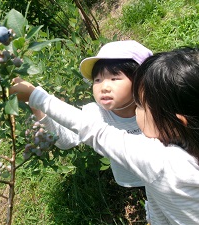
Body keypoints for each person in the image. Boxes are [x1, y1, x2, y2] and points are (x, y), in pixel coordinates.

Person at [11, 47, 199, 224]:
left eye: (141, 105)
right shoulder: (185, 141)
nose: (104, 87)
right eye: (97, 80)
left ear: (174, 124)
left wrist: (36, 95)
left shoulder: (163, 163)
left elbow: (94, 131)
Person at [27, 40, 153, 188]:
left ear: (141, 80)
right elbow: (65, 141)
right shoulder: (96, 113)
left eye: (114, 78)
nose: (104, 87)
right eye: (98, 80)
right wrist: (37, 107)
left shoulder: (156, 105)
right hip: (132, 180)